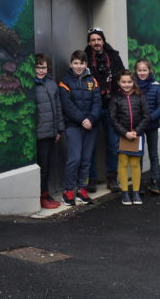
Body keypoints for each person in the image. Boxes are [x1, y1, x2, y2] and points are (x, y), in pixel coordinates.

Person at [84, 27, 125, 192]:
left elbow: (123, 78)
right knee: (91, 146)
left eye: (98, 39)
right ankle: (92, 179)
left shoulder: (114, 57)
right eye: (93, 40)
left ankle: (112, 178)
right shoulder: (84, 58)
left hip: (110, 108)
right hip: (91, 109)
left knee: (112, 145)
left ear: (103, 40)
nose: (96, 43)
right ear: (89, 42)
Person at [58, 49, 101, 206]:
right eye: (75, 63)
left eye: (81, 63)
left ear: (86, 64)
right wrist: (82, 119)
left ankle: (82, 190)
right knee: (74, 159)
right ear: (71, 64)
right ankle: (68, 191)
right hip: (73, 126)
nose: (78, 66)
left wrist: (90, 119)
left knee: (86, 159)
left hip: (91, 126)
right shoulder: (65, 82)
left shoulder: (93, 81)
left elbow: (97, 103)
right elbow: (67, 105)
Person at [109, 69, 150, 205]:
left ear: (133, 82)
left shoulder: (140, 96)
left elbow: (146, 116)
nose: (126, 84)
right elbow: (113, 119)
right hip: (122, 135)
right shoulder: (115, 98)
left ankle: (136, 192)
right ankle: (125, 193)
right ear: (119, 82)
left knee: (135, 164)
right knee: (123, 163)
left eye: (129, 82)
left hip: (137, 135)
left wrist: (136, 132)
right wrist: (125, 133)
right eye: (123, 82)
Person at [32, 54, 65, 209]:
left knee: (48, 166)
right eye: (38, 67)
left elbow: (58, 107)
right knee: (42, 167)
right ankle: (41, 195)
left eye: (44, 67)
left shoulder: (52, 84)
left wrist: (59, 129)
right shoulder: (31, 85)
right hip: (39, 134)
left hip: (52, 133)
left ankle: (45, 193)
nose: (41, 70)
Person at [134, 58, 160, 195]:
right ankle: (138, 182)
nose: (142, 73)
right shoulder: (133, 86)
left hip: (152, 125)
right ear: (136, 71)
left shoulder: (156, 86)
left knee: (153, 154)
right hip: (138, 126)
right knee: (138, 155)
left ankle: (154, 181)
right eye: (139, 70)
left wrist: (151, 118)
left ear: (149, 70)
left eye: (144, 70)